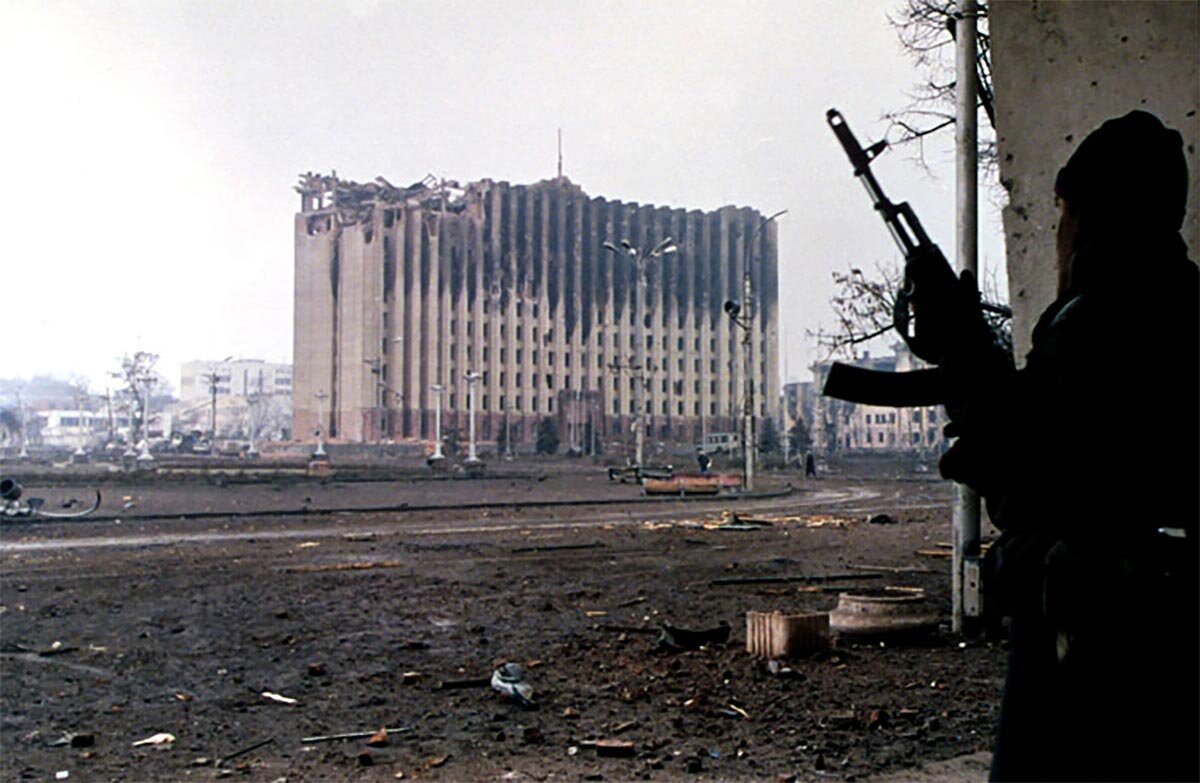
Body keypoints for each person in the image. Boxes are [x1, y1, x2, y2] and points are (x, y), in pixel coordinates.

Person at [925, 111, 1198, 782]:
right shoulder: (1180, 301)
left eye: (1066, 215)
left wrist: (963, 355)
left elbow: (1034, 463)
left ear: (1095, 218)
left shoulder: (1095, 318)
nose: (1059, 234)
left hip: (1096, 627)